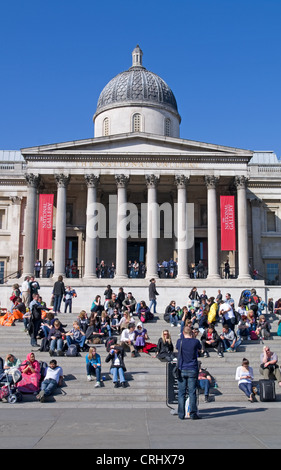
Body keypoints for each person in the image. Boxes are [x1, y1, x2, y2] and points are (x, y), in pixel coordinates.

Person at [176, 325, 202, 420]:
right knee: (192, 392)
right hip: (192, 368)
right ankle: (193, 413)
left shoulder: (180, 341)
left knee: (181, 392)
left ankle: (181, 414)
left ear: (183, 333)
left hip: (182, 368)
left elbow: (177, 348)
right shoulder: (195, 341)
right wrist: (193, 337)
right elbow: (200, 349)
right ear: (191, 333)